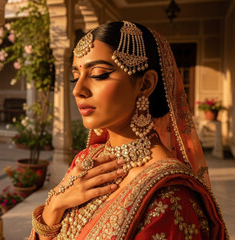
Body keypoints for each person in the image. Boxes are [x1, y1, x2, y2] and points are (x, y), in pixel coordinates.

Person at [29, 21, 228, 240]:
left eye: (98, 74)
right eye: (75, 76)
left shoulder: (170, 196)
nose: (78, 90)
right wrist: (55, 206)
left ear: (145, 84)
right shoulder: (87, 161)